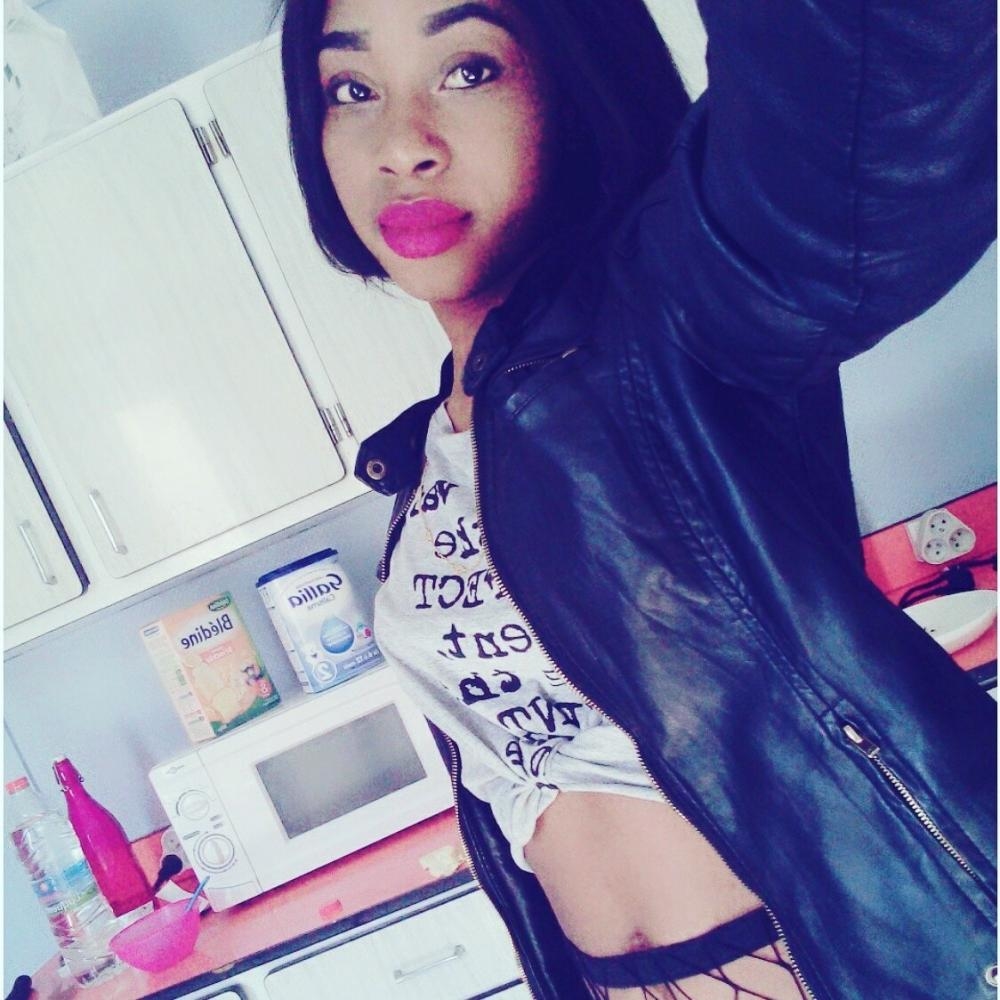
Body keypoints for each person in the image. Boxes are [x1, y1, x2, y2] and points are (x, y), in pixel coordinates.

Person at [280, 0, 997, 996]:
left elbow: (863, 90)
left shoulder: (670, 319)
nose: (401, 144)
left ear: (575, 77)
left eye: (469, 69)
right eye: (352, 88)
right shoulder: (428, 454)